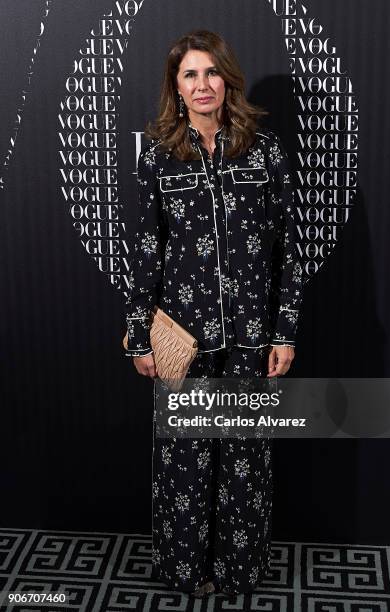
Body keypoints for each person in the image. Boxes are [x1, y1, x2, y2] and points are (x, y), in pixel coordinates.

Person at [124, 30, 303, 597]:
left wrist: (285, 331)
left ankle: (238, 571)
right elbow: (143, 248)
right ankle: (186, 569)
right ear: (175, 87)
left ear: (228, 79)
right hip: (184, 335)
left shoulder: (265, 149)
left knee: (245, 462)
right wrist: (138, 336)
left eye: (210, 73)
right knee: (183, 461)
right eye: (189, 75)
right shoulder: (158, 152)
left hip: (251, 336)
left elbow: (289, 250)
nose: (202, 85)